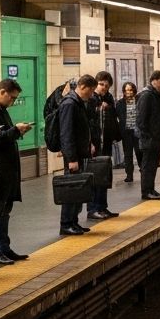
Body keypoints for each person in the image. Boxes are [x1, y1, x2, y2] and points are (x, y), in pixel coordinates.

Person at [0, 78, 32, 264]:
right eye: (12, 97)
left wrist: (17, 130)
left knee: (5, 210)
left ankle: (4, 247)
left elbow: (3, 134)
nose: (13, 101)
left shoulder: (0, 110)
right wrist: (16, 131)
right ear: (1, 92)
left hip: (6, 169)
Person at [58, 74, 97, 235]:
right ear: (82, 87)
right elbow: (67, 133)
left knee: (78, 189)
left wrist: (89, 144)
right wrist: (72, 159)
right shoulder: (69, 104)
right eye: (91, 90)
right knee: (72, 190)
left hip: (79, 153)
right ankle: (66, 223)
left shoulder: (78, 103)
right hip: (73, 157)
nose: (92, 94)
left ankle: (73, 221)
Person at [86, 71, 120, 221]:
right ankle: (93, 208)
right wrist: (90, 143)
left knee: (104, 176)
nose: (103, 88)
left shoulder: (109, 98)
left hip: (105, 142)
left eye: (106, 86)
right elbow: (87, 122)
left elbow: (114, 116)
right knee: (95, 176)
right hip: (95, 145)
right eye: (101, 84)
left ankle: (102, 206)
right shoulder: (90, 99)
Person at [137, 70, 160, 200]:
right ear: (153, 80)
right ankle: (146, 191)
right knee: (147, 166)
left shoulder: (157, 95)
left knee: (154, 165)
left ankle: (151, 189)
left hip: (156, 137)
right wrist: (147, 135)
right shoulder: (147, 96)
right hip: (149, 138)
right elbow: (141, 119)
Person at [117, 81, 141, 183]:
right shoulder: (120, 103)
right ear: (124, 91)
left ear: (134, 90)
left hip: (137, 132)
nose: (129, 92)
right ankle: (129, 175)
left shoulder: (139, 101)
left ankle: (143, 170)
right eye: (127, 90)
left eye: (131, 90)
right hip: (126, 133)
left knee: (139, 152)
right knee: (128, 154)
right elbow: (120, 117)